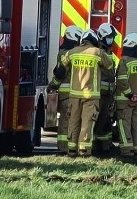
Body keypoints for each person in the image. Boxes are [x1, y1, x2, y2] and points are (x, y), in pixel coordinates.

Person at [57, 29, 114, 157]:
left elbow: (60, 70)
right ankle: (84, 150)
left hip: (74, 95)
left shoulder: (72, 52)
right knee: (87, 122)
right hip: (91, 95)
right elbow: (110, 68)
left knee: (73, 121)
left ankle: (71, 150)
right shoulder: (98, 52)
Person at [46, 25, 83, 154]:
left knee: (65, 121)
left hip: (65, 95)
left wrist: (52, 86)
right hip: (76, 94)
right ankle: (69, 147)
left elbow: (59, 74)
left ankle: (63, 147)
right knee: (73, 121)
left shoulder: (63, 54)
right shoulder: (78, 54)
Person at [115, 33, 137, 161]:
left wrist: (130, 95)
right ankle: (136, 151)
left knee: (125, 126)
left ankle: (126, 152)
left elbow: (122, 80)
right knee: (136, 126)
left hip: (124, 101)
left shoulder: (124, 61)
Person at [94, 23, 119, 155]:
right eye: (109, 37)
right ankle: (97, 147)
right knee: (97, 120)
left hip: (108, 92)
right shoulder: (98, 50)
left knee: (105, 120)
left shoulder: (108, 51)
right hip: (99, 92)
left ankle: (105, 146)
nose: (112, 40)